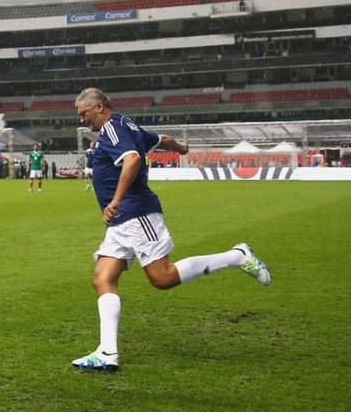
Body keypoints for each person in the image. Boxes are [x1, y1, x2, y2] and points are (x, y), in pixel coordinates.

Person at [71, 87, 272, 372]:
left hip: (134, 213)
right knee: (102, 277)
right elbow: (159, 140)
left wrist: (115, 201)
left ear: (100, 107)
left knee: (162, 278)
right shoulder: (125, 125)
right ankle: (107, 353)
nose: (83, 120)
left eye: (84, 113)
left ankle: (237, 256)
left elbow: (132, 159)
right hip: (121, 223)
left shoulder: (114, 129)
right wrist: (179, 148)